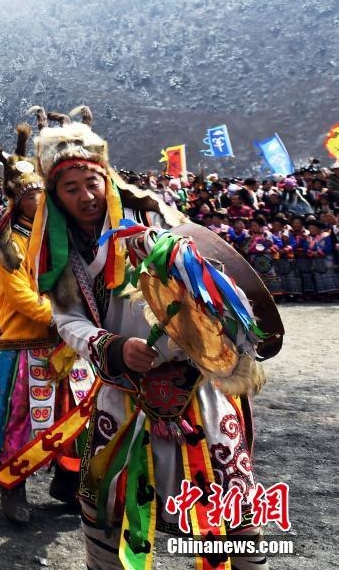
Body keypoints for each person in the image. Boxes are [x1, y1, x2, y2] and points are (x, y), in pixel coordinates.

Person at [24, 107, 268, 570]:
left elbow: (212, 280)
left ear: (105, 179)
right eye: (70, 189)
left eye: (91, 183)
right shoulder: (58, 253)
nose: (86, 196)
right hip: (124, 390)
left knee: (232, 499)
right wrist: (111, 347)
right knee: (106, 504)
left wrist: (170, 256)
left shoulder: (152, 217)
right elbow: (67, 319)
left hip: (196, 386)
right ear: (56, 196)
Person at [0, 124, 95, 525]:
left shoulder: (60, 235)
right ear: (17, 201)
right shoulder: (9, 242)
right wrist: (66, 319)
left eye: (42, 196)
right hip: (24, 345)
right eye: (31, 197)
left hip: (65, 344)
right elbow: (20, 295)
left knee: (76, 417)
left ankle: (69, 485)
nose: (39, 203)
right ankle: (12, 486)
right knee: (19, 421)